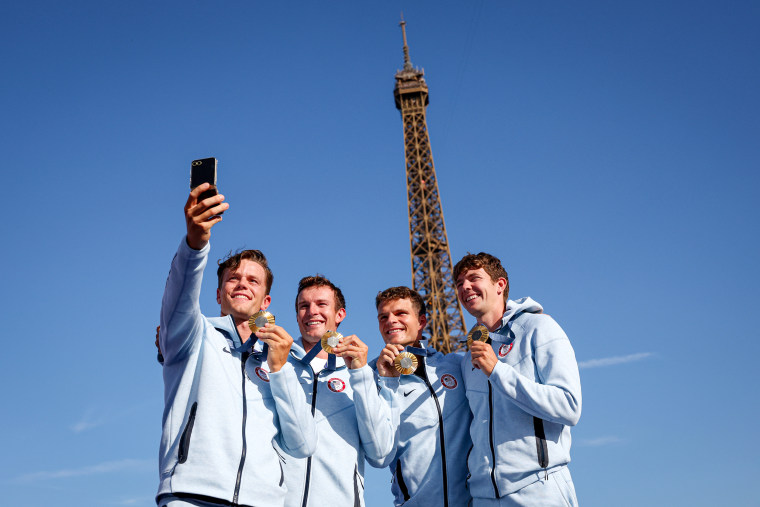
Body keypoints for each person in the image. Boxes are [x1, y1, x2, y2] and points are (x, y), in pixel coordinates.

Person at [156, 183, 317, 507]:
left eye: (253, 280)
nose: (242, 283)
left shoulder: (281, 356)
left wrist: (280, 369)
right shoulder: (191, 333)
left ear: (266, 300)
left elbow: (302, 444)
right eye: (233, 278)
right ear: (218, 294)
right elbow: (180, 295)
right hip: (193, 495)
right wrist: (195, 245)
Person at [454, 252, 581, 506]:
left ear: (500, 285)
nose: (464, 287)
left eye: (473, 278)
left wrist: (498, 372)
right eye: (458, 283)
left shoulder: (539, 328)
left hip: (538, 489)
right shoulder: (468, 358)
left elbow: (569, 406)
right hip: (483, 497)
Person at [279, 275, 394, 507]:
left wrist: (360, 375)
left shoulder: (363, 374)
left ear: (340, 314)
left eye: (322, 304)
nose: (312, 311)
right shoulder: (277, 366)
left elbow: (381, 454)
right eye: (304, 306)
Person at [370, 286, 472, 507]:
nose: (391, 321)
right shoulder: (370, 377)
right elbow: (376, 452)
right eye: (383, 317)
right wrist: (386, 380)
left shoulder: (456, 365)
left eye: (401, 313)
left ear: (422, 322)